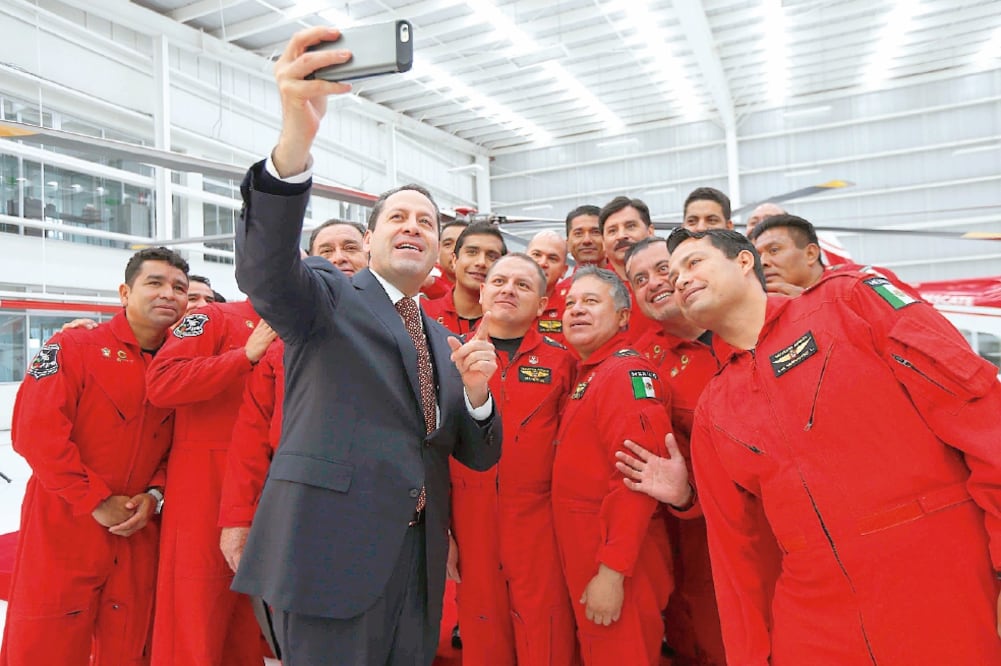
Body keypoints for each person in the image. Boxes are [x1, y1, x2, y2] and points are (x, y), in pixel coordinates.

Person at [230, 26, 502, 666]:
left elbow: (477, 454)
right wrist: (295, 138)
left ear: (439, 250)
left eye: (426, 224)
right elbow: (266, 269)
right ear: (372, 238)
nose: (413, 228)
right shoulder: (327, 297)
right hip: (330, 555)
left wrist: (481, 397)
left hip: (416, 564)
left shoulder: (442, 337)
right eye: (398, 219)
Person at [667, 227, 1001, 665]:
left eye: (693, 263)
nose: (679, 279)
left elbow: (981, 418)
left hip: (943, 582)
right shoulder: (714, 408)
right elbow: (735, 554)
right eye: (673, 275)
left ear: (745, 262)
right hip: (816, 617)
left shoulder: (851, 302)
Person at [1, 247, 189, 665]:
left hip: (137, 525)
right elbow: (35, 433)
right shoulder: (73, 346)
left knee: (127, 640)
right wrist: (94, 500)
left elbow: (180, 448)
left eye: (179, 287)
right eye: (154, 283)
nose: (168, 294)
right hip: (65, 521)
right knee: (46, 637)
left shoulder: (182, 368)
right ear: (125, 292)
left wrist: (155, 496)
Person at [553, 266, 691, 666]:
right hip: (590, 556)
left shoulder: (624, 374)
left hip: (620, 566)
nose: (576, 310)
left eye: (591, 302)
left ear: (623, 317)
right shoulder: (592, 374)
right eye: (571, 303)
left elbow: (637, 481)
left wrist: (612, 574)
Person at [219, 219, 370, 574]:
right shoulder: (283, 341)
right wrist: (238, 519)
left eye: (350, 248)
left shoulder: (408, 328)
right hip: (300, 507)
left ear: (370, 252)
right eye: (326, 251)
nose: (339, 259)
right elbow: (251, 435)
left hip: (383, 506)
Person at [449, 253, 578, 665]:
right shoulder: (445, 356)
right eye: (499, 281)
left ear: (542, 304)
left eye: (523, 285)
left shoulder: (565, 362)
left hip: (540, 521)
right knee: (482, 636)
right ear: (482, 291)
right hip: (468, 519)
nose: (508, 289)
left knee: (546, 634)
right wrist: (440, 530)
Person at [621, 238, 725, 666]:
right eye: (640, 279)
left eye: (662, 269)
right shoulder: (641, 366)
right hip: (704, 541)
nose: (654, 283)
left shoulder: (749, 325)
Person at [424, 222, 506, 334]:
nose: (481, 262)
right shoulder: (421, 314)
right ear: (454, 260)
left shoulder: (510, 323)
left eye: (491, 256)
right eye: (472, 252)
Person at [597, 196, 657, 341]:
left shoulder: (673, 278)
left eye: (630, 226)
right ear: (603, 243)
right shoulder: (593, 289)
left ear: (650, 231)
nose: (621, 236)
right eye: (612, 231)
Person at [526, 229, 570, 345]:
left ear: (563, 271)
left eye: (552, 258)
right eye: (536, 255)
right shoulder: (503, 299)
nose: (542, 263)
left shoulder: (571, 312)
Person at [554, 205, 605, 302]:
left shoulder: (632, 286)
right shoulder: (557, 295)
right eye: (578, 233)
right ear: (567, 244)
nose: (587, 240)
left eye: (595, 232)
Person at [422, 220, 467, 300]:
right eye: (448, 244)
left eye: (462, 244)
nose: (455, 250)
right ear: (438, 249)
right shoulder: (420, 287)